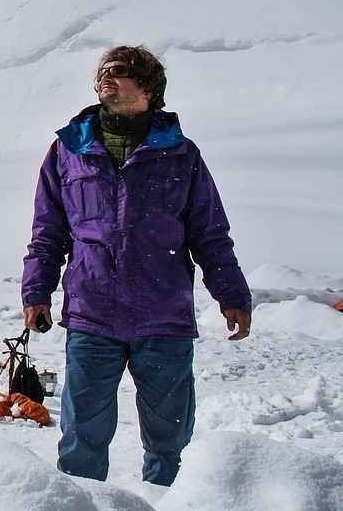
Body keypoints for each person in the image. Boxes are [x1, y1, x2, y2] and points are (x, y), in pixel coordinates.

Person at [21, 45, 252, 487]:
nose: (107, 77)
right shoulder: (68, 150)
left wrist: (233, 296)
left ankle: (166, 500)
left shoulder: (181, 154)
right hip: (92, 314)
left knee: (170, 441)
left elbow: (209, 234)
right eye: (103, 71)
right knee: (81, 437)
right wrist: (36, 292)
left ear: (148, 88)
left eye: (121, 72)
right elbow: (48, 232)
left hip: (162, 316)